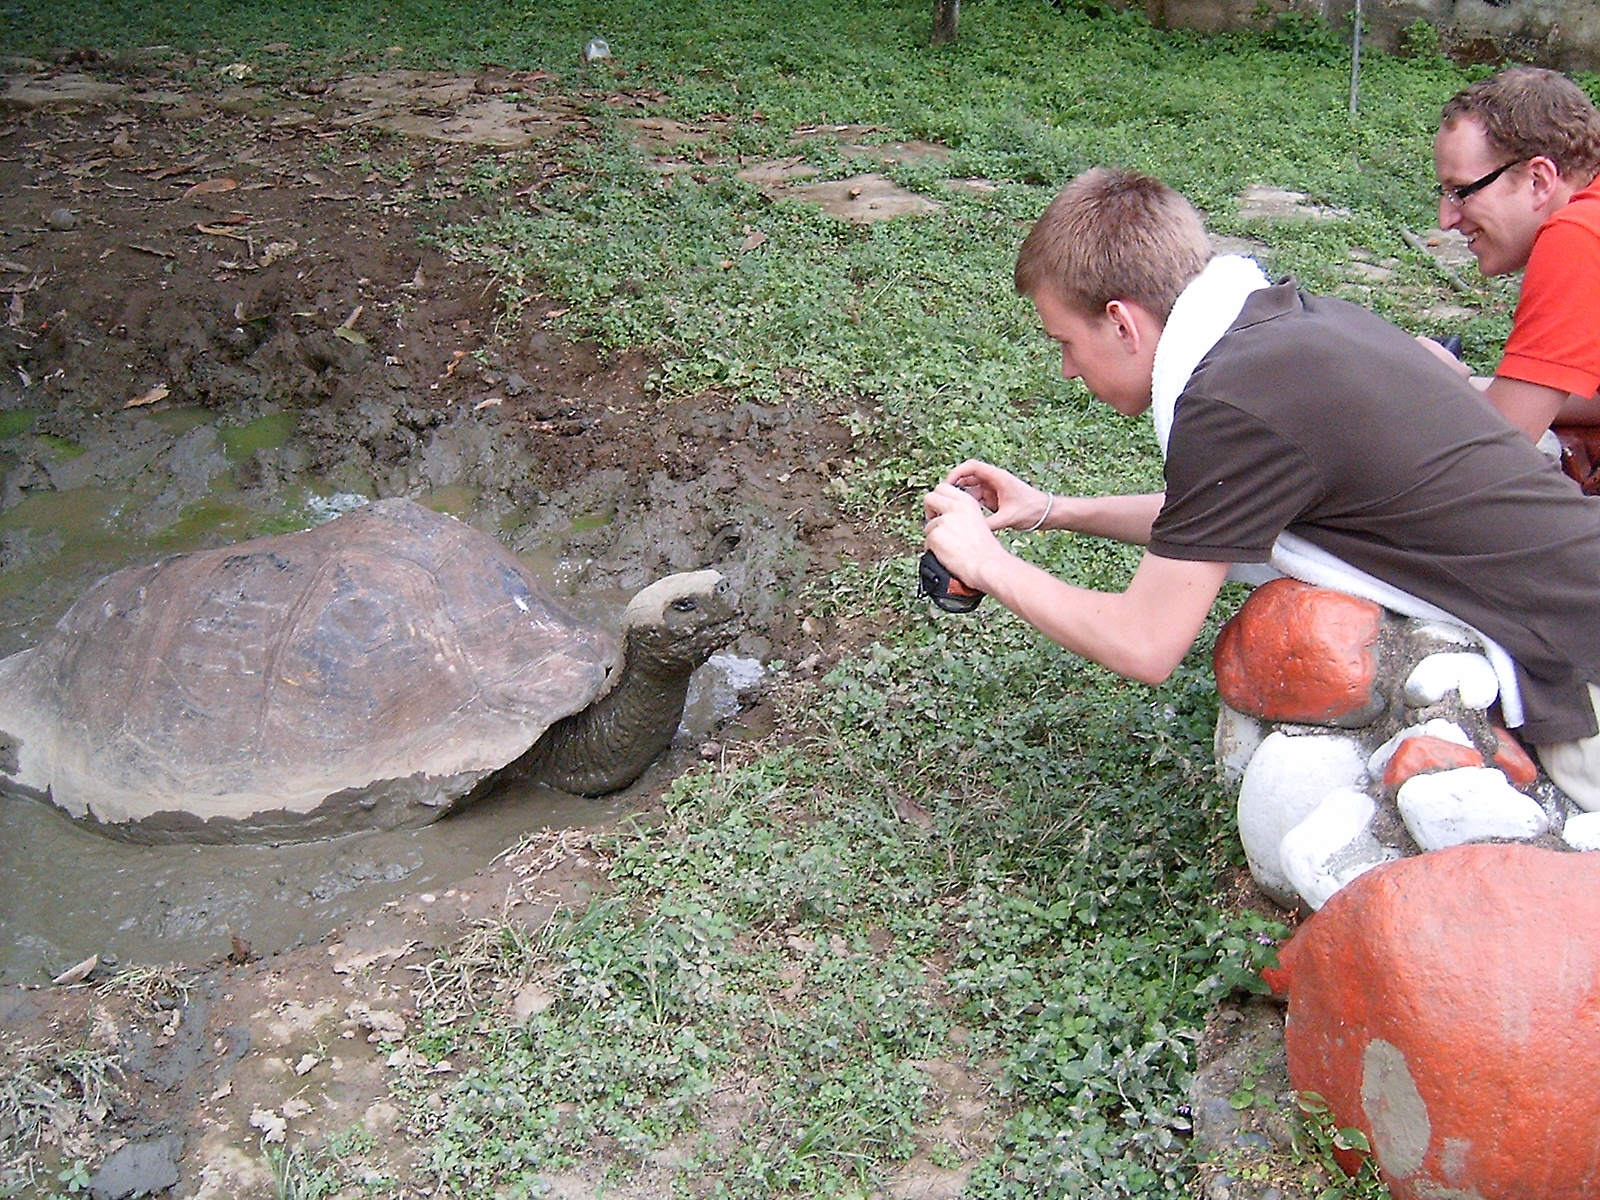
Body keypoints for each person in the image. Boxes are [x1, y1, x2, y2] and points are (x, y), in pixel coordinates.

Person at [922, 167, 1600, 806]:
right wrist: (1051, 511)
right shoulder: (1286, 330)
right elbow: (1214, 518)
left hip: (1581, 663)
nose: (1068, 368)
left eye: (1065, 342)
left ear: (1123, 322)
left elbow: (1143, 642)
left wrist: (985, 562)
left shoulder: (1229, 401)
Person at [1427, 67, 1600, 440]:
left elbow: (1496, 449)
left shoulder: (1580, 235)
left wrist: (1432, 386)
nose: (1446, 218)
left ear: (1539, 180)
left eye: (1461, 190)